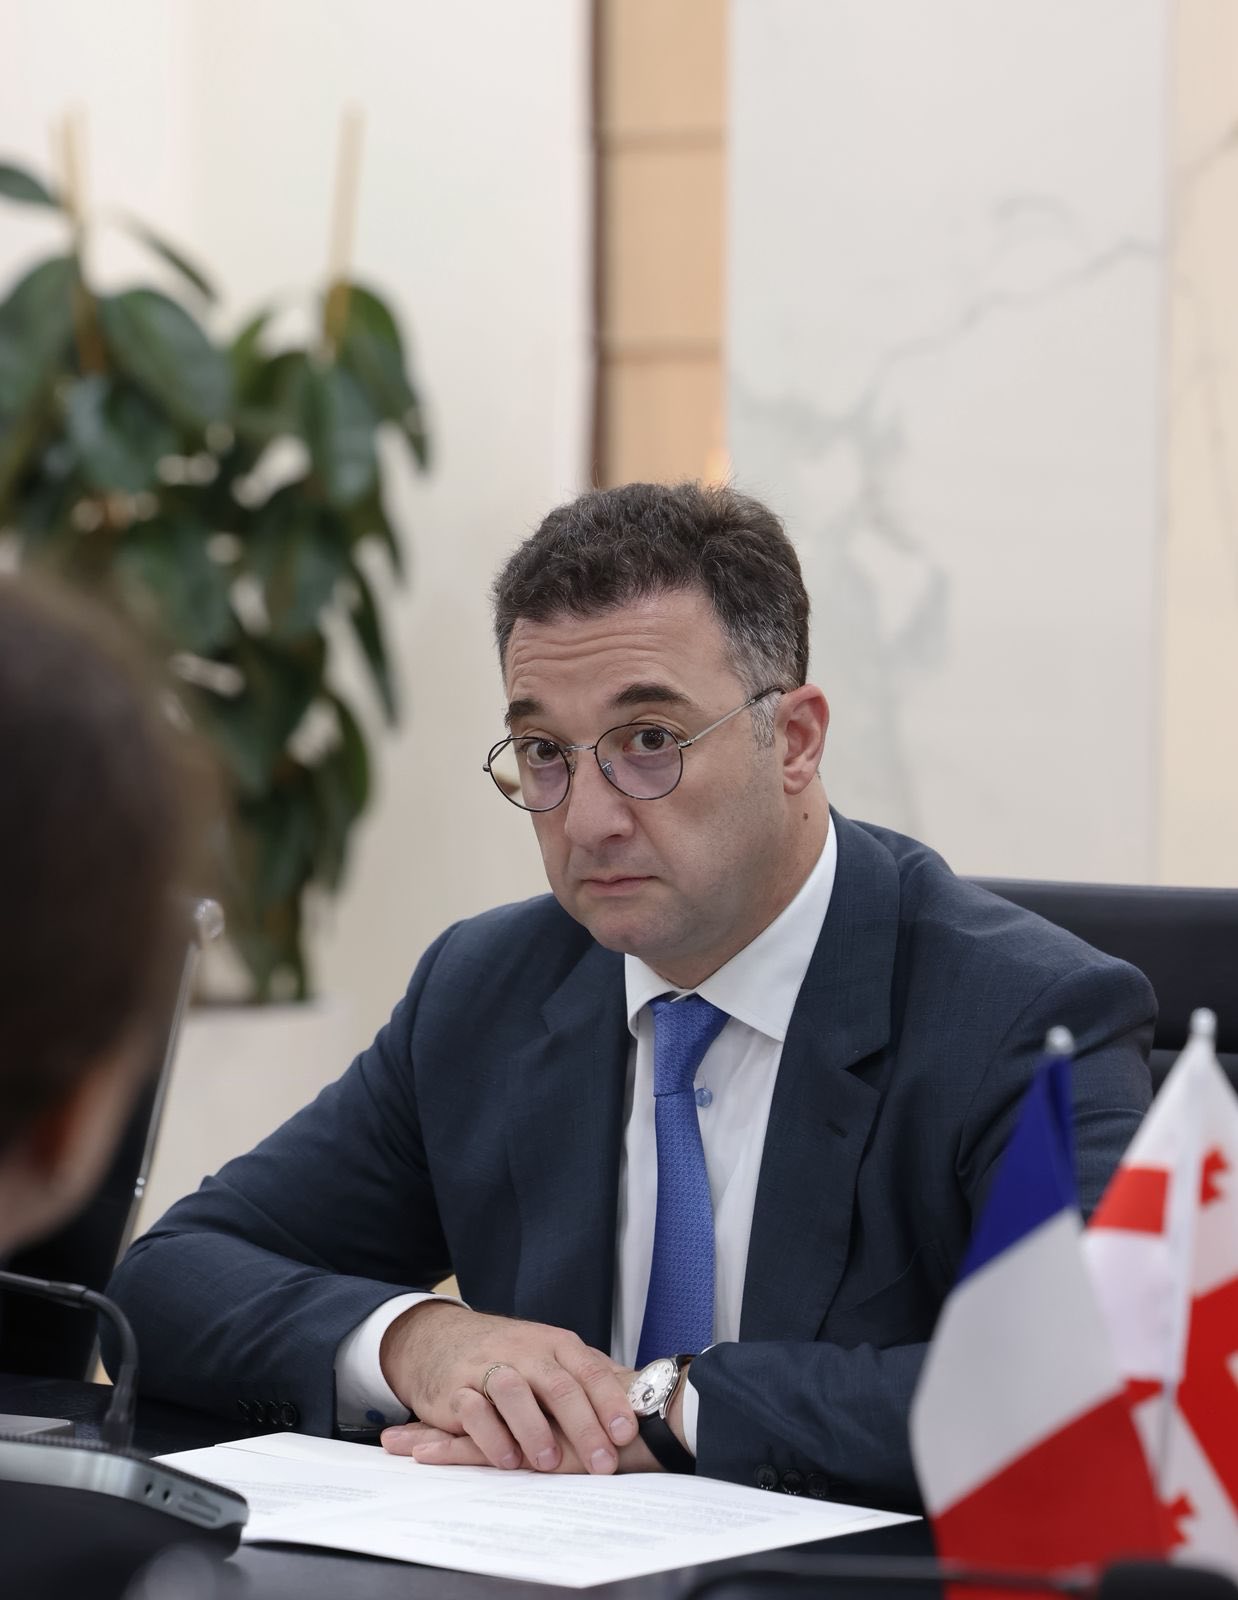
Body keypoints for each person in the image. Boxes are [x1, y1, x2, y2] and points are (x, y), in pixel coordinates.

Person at [108, 482, 1154, 1510]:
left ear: (794, 740)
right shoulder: (485, 990)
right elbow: (169, 1279)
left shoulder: (1022, 1015)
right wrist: (421, 1340)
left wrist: (665, 1406)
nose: (588, 819)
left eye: (649, 740)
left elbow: (1100, 1381)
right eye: (543, 754)